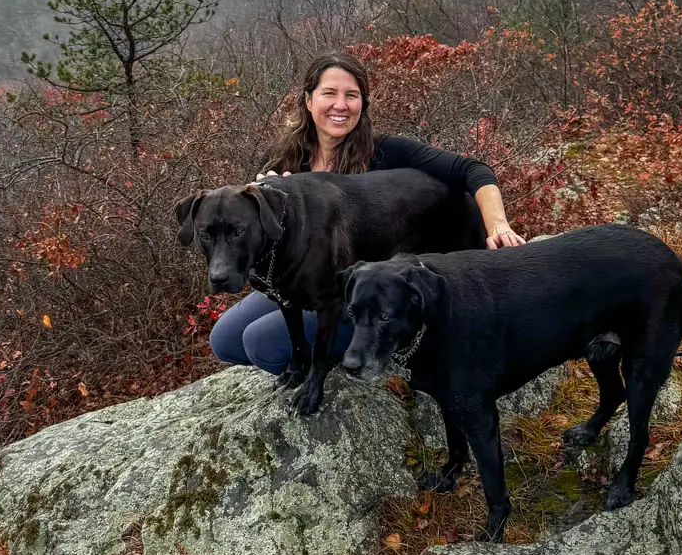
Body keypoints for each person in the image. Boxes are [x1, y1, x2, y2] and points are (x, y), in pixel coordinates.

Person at [209, 48, 525, 375]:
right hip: (306, 280)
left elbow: (471, 169)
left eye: (352, 95)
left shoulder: (387, 152)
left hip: (366, 295)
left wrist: (498, 226)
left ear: (364, 104)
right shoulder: (281, 162)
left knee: (261, 343)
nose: (340, 105)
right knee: (226, 340)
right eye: (329, 93)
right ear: (308, 100)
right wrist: (272, 204)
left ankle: (348, 365)